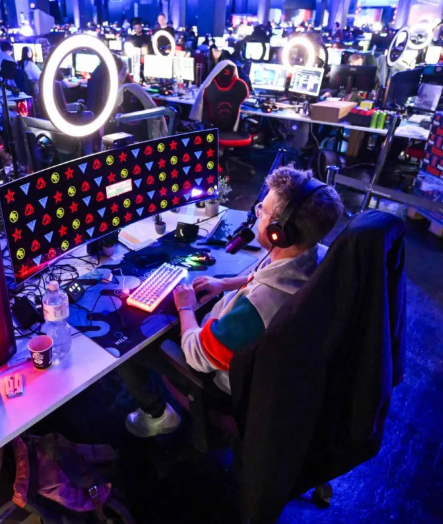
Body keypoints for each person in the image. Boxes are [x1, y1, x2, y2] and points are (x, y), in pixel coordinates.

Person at [117, 166, 344, 437]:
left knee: (131, 345)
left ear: (278, 232)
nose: (257, 215)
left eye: (262, 212)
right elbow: (271, 278)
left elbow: (198, 356)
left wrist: (186, 306)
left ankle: (156, 417)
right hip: (287, 373)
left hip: (223, 384)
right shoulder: (319, 257)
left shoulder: (257, 309)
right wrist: (225, 284)